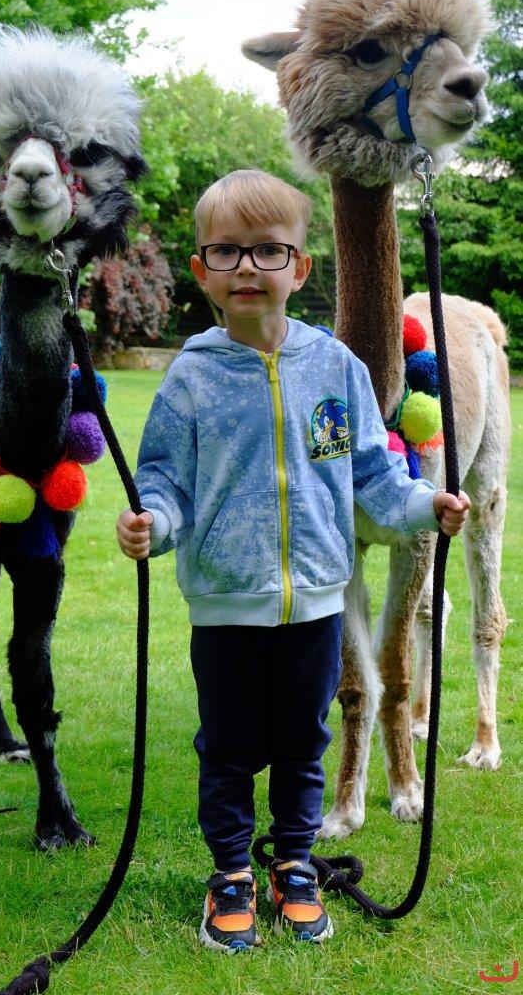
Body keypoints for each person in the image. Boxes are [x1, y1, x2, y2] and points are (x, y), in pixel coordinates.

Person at [116, 169, 470, 953]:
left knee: (303, 744)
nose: (248, 267)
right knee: (228, 748)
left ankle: (294, 865)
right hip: (226, 604)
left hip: (316, 602)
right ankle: (230, 874)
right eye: (227, 251)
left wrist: (426, 505)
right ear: (202, 270)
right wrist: (154, 523)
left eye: (269, 250)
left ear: (301, 268)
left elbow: (371, 473)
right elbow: (165, 478)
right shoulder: (192, 376)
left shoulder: (335, 369)